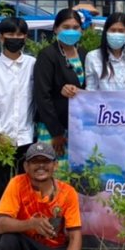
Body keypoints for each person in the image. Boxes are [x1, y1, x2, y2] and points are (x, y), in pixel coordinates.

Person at [0, 17, 36, 250]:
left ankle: (25, 237)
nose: (16, 39)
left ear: (25, 37)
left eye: (20, 35)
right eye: (10, 35)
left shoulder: (33, 65)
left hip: (25, 137)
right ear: (1, 37)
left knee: (27, 190)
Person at [32, 9, 87, 157]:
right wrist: (56, 132)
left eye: (75, 28)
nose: (71, 31)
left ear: (81, 30)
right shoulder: (47, 55)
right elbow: (42, 96)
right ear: (56, 29)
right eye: (66, 27)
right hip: (53, 127)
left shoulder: (84, 54)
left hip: (77, 126)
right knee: (52, 172)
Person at [84, 12, 125, 91]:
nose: (116, 34)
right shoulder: (92, 57)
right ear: (106, 31)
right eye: (113, 30)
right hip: (101, 103)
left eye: (121, 31)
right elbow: (91, 88)